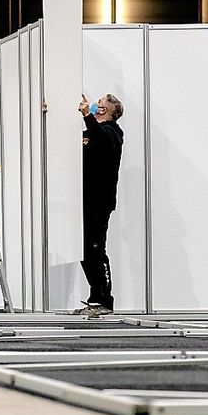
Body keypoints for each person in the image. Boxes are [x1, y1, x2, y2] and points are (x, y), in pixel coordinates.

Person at [73, 93, 123, 317]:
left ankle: (104, 300)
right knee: (85, 251)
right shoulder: (88, 133)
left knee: (96, 249)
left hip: (99, 201)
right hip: (82, 199)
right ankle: (95, 299)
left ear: (103, 111)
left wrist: (86, 115)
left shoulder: (113, 132)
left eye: (99, 104)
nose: (95, 105)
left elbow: (102, 139)